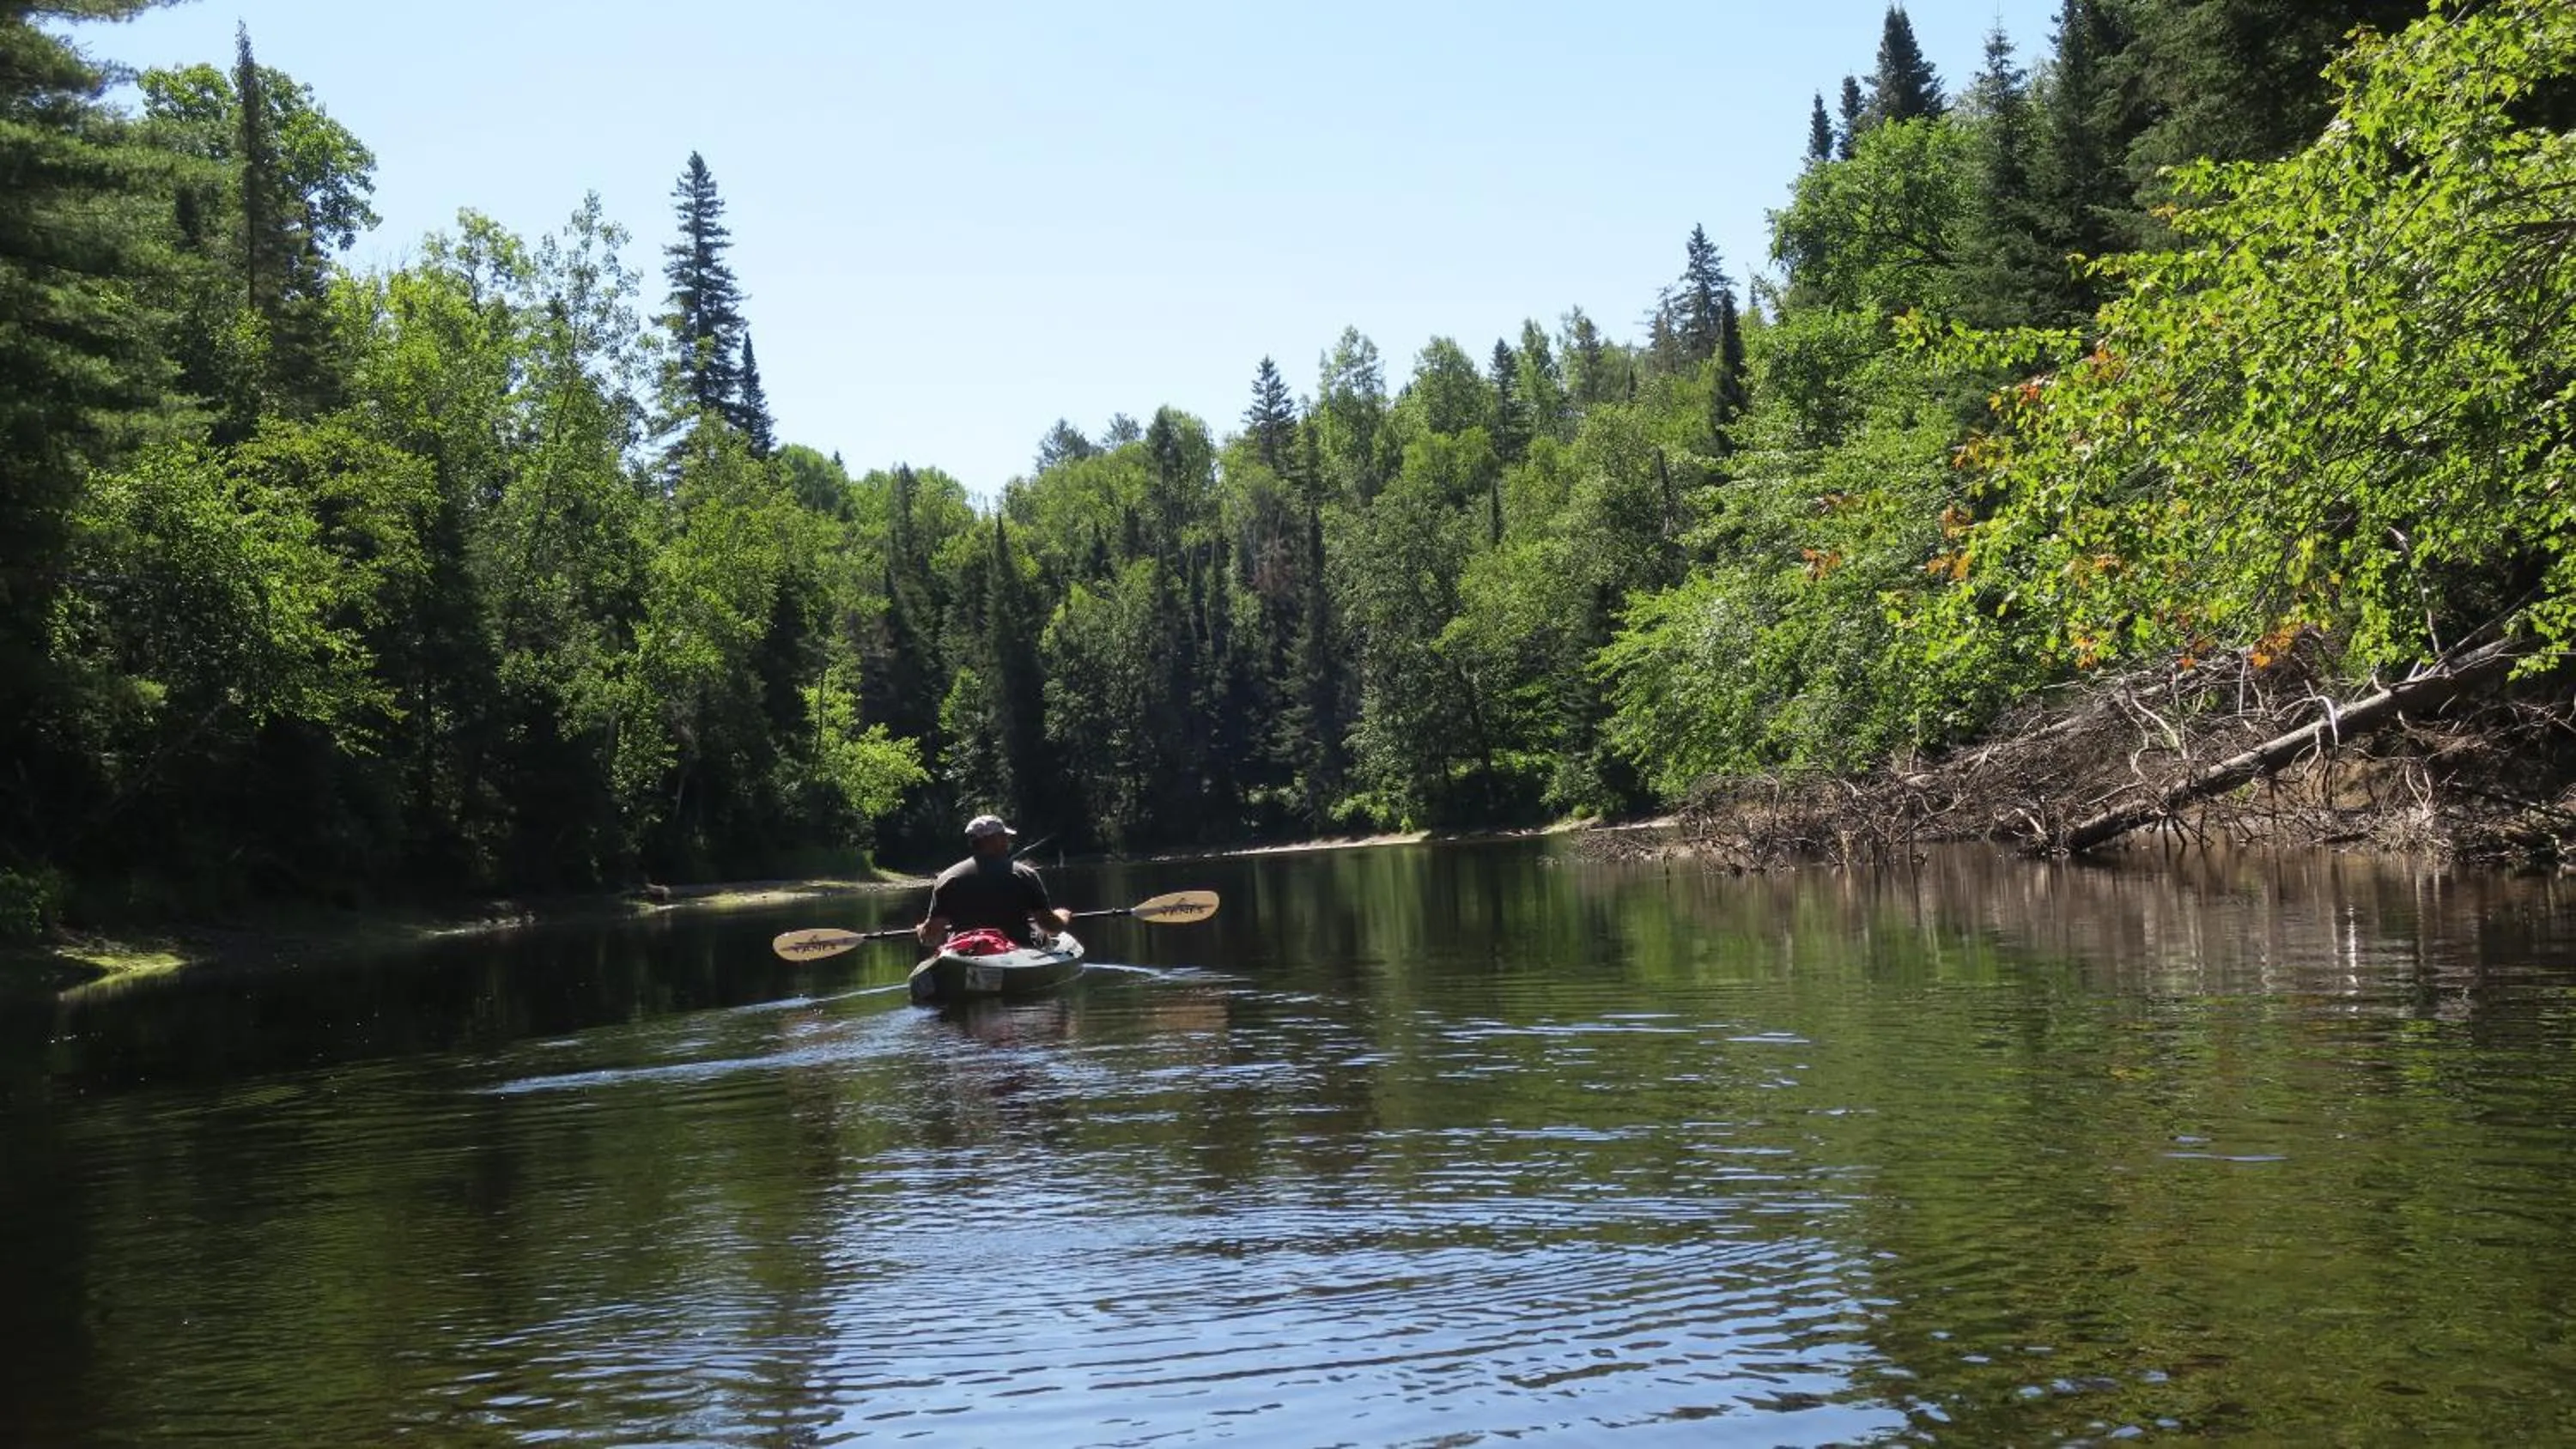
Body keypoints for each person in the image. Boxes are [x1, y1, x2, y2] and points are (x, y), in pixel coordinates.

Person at [916, 814, 1072, 949]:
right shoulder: (1024, 874)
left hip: (966, 954)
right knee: (1041, 937)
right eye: (1005, 836)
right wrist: (1062, 916)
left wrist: (921, 930)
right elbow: (1049, 926)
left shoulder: (947, 878)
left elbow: (931, 937)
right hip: (1017, 952)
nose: (1007, 841)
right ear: (995, 839)